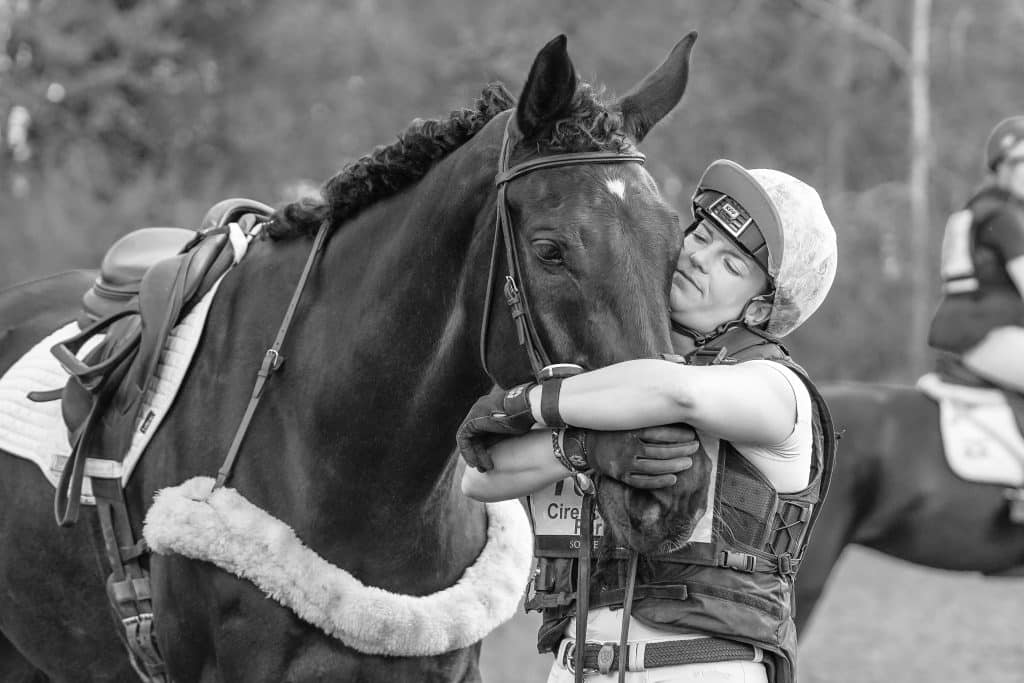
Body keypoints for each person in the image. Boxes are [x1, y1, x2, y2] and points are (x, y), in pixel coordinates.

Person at [457, 159, 839, 683]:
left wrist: (531, 402)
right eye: (701, 235)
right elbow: (480, 476)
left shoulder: (778, 389)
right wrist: (583, 450)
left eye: (731, 265)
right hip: (572, 668)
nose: (701, 258)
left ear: (758, 310)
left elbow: (675, 392)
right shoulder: (605, 388)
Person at [929, 116, 1024, 393]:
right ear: (1001, 168)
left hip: (968, 332)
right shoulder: (1004, 218)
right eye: (1020, 162)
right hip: (989, 335)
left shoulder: (979, 208)